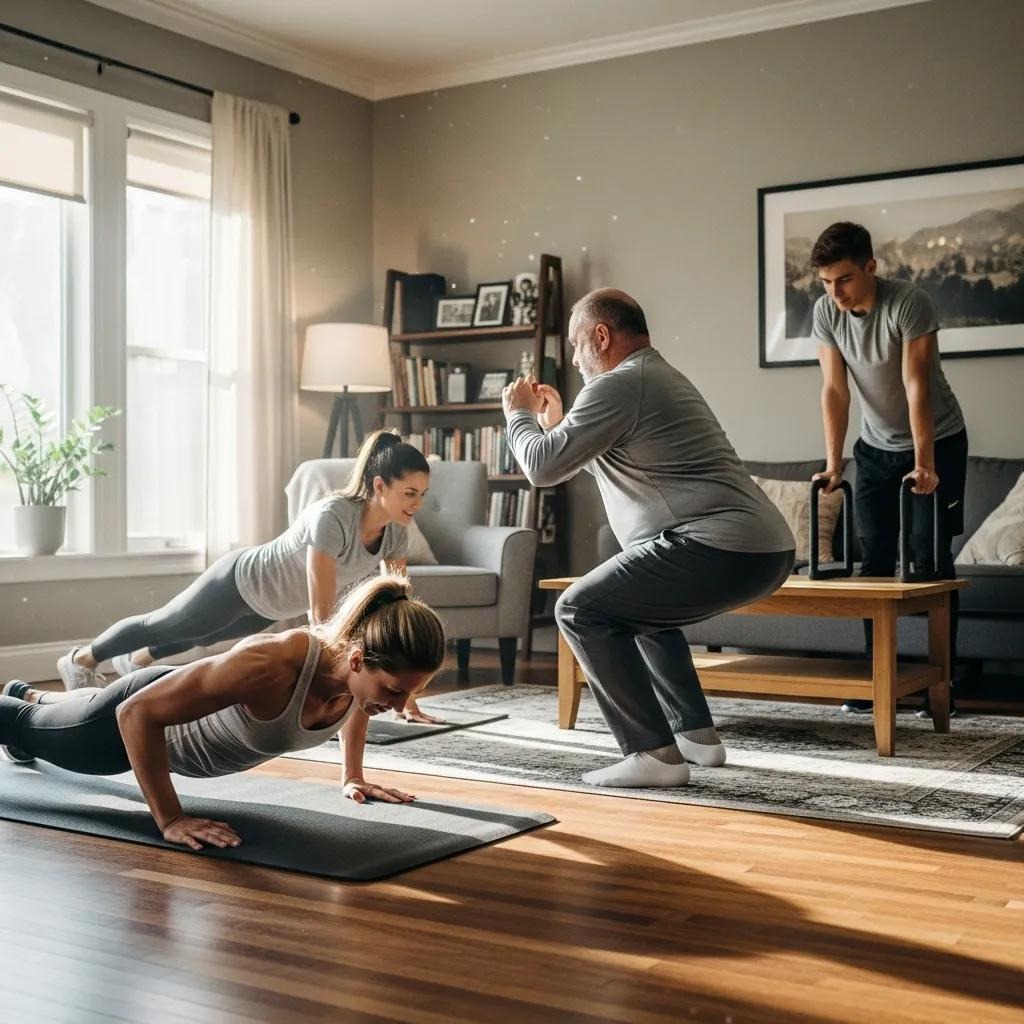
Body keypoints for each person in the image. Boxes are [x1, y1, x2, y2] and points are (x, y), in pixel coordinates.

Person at [502, 288, 795, 789]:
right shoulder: (653, 376)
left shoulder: (619, 384)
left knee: (579, 610)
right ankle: (696, 738)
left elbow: (541, 467)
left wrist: (519, 414)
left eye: (576, 345)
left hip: (717, 543)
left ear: (601, 335)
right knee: (639, 611)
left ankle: (652, 754)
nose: (573, 359)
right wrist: (558, 426)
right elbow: (616, 465)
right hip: (762, 549)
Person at [0, 573, 446, 849]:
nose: (397, 706)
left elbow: (361, 703)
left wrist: (351, 775)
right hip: (126, 731)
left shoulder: (356, 680)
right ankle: (26, 708)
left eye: (407, 694)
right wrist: (171, 819)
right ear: (357, 659)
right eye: (392, 692)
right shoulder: (271, 664)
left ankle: (32, 693)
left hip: (177, 693)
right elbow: (135, 714)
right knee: (23, 728)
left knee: (68, 709)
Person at [56, 429, 443, 723]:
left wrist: (405, 692)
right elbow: (320, 611)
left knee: (201, 636)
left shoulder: (396, 530)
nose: (417, 504)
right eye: (410, 493)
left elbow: (396, 605)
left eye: (422, 494)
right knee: (166, 625)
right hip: (240, 582)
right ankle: (80, 659)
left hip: (270, 604)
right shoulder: (332, 516)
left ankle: (135, 662)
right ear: (379, 486)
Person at [808, 222, 967, 717]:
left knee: (928, 561)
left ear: (871, 268)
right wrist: (835, 465)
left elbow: (915, 382)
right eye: (827, 282)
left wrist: (924, 463)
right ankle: (879, 679)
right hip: (873, 448)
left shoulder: (908, 303)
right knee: (873, 563)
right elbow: (835, 390)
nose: (835, 292)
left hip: (936, 441)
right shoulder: (826, 313)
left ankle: (941, 684)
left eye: (845, 279)